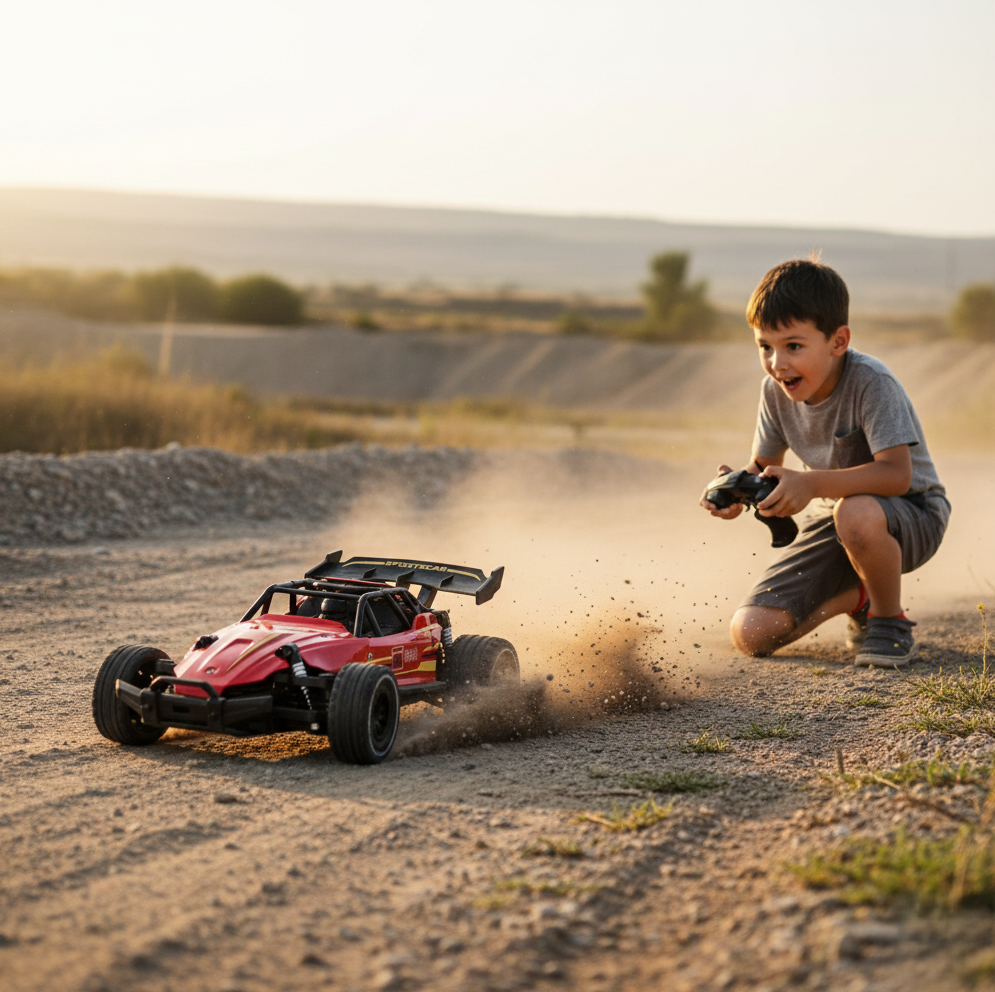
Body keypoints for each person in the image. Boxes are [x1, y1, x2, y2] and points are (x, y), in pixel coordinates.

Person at [701, 259, 950, 667]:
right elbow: (764, 466)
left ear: (838, 341)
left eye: (793, 346)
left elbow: (897, 476)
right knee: (751, 634)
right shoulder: (775, 392)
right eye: (765, 346)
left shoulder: (872, 383)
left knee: (854, 511)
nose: (777, 363)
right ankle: (859, 597)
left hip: (914, 515)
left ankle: (889, 620)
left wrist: (811, 484)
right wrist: (737, 489)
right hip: (835, 521)